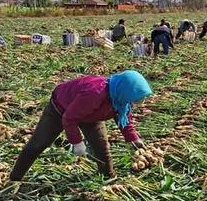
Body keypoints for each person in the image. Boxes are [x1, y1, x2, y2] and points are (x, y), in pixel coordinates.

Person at [9, 70, 152, 181]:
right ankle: (15, 178)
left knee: (101, 147)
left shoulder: (120, 98)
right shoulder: (95, 93)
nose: (136, 103)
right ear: (125, 90)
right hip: (61, 110)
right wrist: (77, 142)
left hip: (91, 114)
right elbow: (69, 118)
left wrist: (133, 138)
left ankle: (108, 177)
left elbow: (124, 117)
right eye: (137, 99)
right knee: (39, 143)